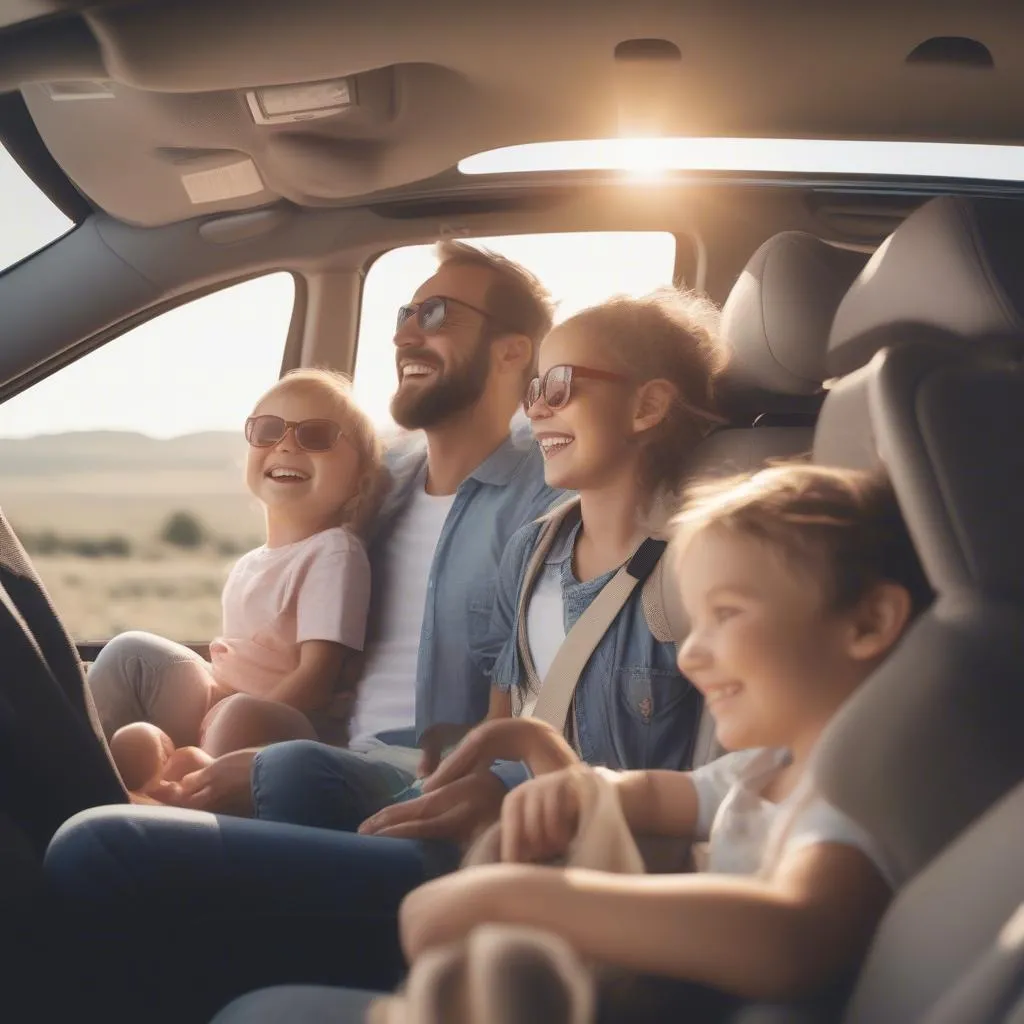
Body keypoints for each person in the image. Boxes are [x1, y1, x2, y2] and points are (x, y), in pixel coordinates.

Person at [209, 462, 934, 1022]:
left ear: (868, 623)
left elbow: (794, 940)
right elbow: (649, 793)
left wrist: (530, 897)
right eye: (695, 622)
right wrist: (567, 781)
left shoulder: (856, 796)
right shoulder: (765, 768)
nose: (691, 654)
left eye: (728, 615)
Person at [358, 287, 727, 837]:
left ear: (647, 406)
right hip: (502, 826)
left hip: (596, 861)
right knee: (296, 770)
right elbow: (502, 724)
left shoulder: (692, 573)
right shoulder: (532, 552)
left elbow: (715, 786)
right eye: (534, 390)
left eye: (561, 386)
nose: (535, 409)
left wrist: (510, 794)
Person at [89, 369, 382, 796]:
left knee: (241, 713)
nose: (286, 444)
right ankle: (86, 772)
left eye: (316, 435)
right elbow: (235, 664)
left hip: (289, 723)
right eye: (268, 431)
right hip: (223, 705)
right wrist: (212, 706)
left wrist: (218, 723)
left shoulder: (335, 552)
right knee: (132, 652)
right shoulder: (250, 563)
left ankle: (193, 789)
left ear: (360, 479)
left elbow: (317, 678)